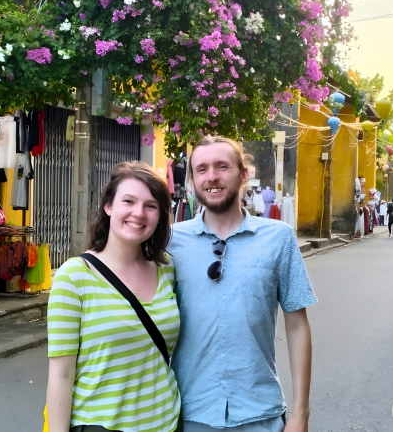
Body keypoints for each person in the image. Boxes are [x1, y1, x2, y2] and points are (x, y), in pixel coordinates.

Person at [168, 136, 316, 432]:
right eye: (202, 169)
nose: (212, 177)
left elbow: (297, 325)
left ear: (243, 174)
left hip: (260, 413)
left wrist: (301, 413)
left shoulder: (279, 238)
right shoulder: (170, 242)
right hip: (190, 413)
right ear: (193, 180)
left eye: (222, 166)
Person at [46, 161, 182, 431]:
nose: (139, 214)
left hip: (168, 423)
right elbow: (61, 376)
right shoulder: (74, 277)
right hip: (101, 424)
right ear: (109, 206)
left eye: (151, 206)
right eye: (129, 201)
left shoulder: (167, 269)